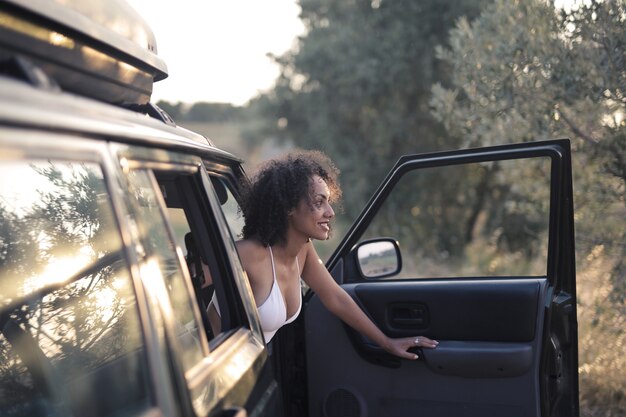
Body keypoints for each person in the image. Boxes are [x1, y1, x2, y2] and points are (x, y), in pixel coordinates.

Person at [209, 150, 437, 359]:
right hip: (210, 366)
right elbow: (186, 287)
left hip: (247, 367)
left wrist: (387, 343)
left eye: (328, 201)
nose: (330, 212)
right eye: (319, 202)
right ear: (288, 207)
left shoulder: (303, 251)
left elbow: (335, 297)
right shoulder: (249, 253)